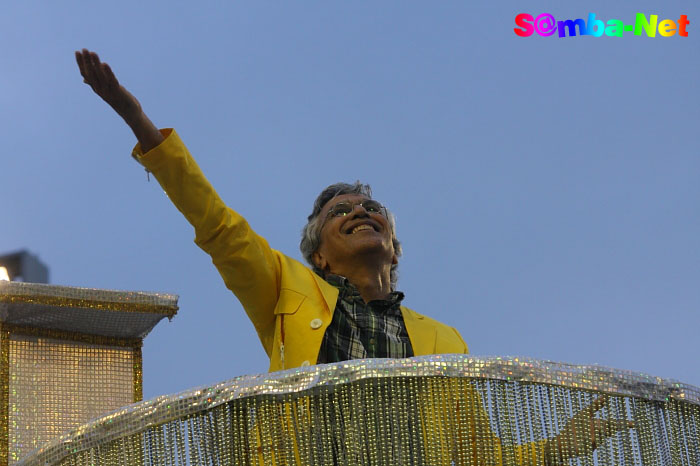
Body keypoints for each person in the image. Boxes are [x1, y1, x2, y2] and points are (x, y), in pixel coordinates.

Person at [75, 49, 631, 465]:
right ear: (319, 254)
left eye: (372, 206)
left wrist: (558, 447)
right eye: (342, 210)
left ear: (392, 245)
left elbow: (476, 452)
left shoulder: (445, 342)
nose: (361, 210)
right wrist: (140, 123)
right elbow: (217, 224)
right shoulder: (284, 290)